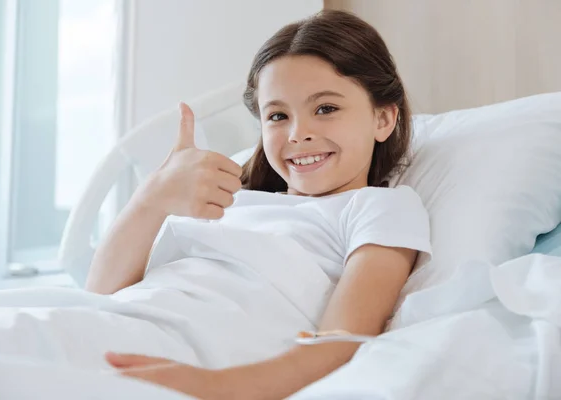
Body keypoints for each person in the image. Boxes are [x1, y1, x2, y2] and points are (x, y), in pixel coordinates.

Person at [85, 9, 431, 399]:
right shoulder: (233, 203)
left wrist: (213, 387)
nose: (298, 134)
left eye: (326, 109)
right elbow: (98, 294)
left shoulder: (378, 208)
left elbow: (340, 344)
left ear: (383, 118)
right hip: (117, 325)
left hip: (184, 355)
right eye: (278, 115)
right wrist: (153, 197)